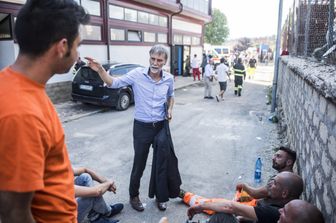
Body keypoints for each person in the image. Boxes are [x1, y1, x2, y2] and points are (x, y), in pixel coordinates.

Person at [0, 1, 89, 222]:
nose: (78, 55)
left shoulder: (16, 85)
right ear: (62, 47)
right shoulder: (22, 113)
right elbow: (14, 213)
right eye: (78, 46)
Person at [85, 44, 178, 212]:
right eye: (153, 59)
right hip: (142, 127)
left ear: (164, 62)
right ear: (149, 58)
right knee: (139, 163)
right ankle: (133, 195)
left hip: (161, 126)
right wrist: (100, 70)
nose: (155, 63)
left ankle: (160, 196)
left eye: (160, 60)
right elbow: (113, 82)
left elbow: (171, 96)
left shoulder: (169, 79)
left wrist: (170, 109)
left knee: (162, 163)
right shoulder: (137, 75)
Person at [179, 147, 297, 212]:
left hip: (257, 208)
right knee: (233, 198)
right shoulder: (287, 178)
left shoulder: (282, 182)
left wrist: (243, 186)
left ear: (289, 162)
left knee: (219, 204)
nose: (273, 158)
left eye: (278, 156)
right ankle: (187, 197)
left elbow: (256, 194)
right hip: (258, 205)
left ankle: (186, 196)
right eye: (275, 155)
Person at [187, 172, 304, 223]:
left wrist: (200, 207)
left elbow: (230, 207)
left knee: (222, 216)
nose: (270, 184)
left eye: (275, 183)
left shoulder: (275, 212)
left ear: (284, 193)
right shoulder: (283, 206)